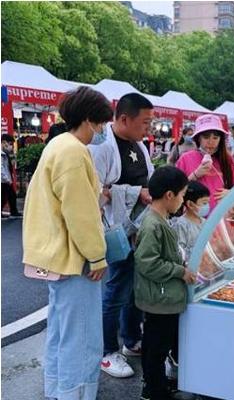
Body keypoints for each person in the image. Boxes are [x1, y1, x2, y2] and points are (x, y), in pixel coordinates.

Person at [22, 86, 113, 399]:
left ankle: (57, 391)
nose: (102, 131)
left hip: (55, 258)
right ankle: (76, 394)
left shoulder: (57, 145)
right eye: (101, 124)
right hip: (76, 262)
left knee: (61, 335)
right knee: (84, 340)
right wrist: (97, 256)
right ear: (88, 119)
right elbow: (81, 213)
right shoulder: (74, 151)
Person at [89, 92, 155, 378]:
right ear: (124, 119)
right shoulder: (102, 148)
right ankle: (106, 351)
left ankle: (130, 340)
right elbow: (95, 193)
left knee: (134, 287)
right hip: (116, 231)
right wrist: (133, 192)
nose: (149, 128)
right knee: (116, 290)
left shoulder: (140, 145)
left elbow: (148, 178)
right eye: (145, 122)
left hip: (139, 229)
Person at [134, 166, 197, 400]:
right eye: (182, 194)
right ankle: (155, 391)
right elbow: (147, 263)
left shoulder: (160, 219)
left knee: (155, 345)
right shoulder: (153, 224)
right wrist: (180, 271)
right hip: (159, 297)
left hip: (160, 295)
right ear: (169, 195)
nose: (183, 200)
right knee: (157, 348)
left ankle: (154, 385)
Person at [176, 114, 234, 211]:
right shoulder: (185, 158)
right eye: (206, 137)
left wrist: (231, 193)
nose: (211, 142)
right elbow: (175, 190)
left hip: (221, 217)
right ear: (199, 138)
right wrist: (195, 175)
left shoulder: (228, 159)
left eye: (215, 138)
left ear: (221, 139)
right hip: (193, 219)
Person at [172, 181, 211, 263]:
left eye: (208, 203)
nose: (207, 206)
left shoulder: (205, 222)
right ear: (190, 204)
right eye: (204, 203)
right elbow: (180, 252)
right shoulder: (181, 225)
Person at [1, 134, 21, 217]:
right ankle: (13, 211)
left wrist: (12, 155)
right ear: (3, 142)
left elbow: (11, 165)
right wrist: (6, 179)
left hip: (6, 180)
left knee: (11, 196)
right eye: (10, 144)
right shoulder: (1, 155)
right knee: (3, 197)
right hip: (3, 180)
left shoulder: (6, 154)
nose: (11, 146)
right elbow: (1, 169)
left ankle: (14, 211)